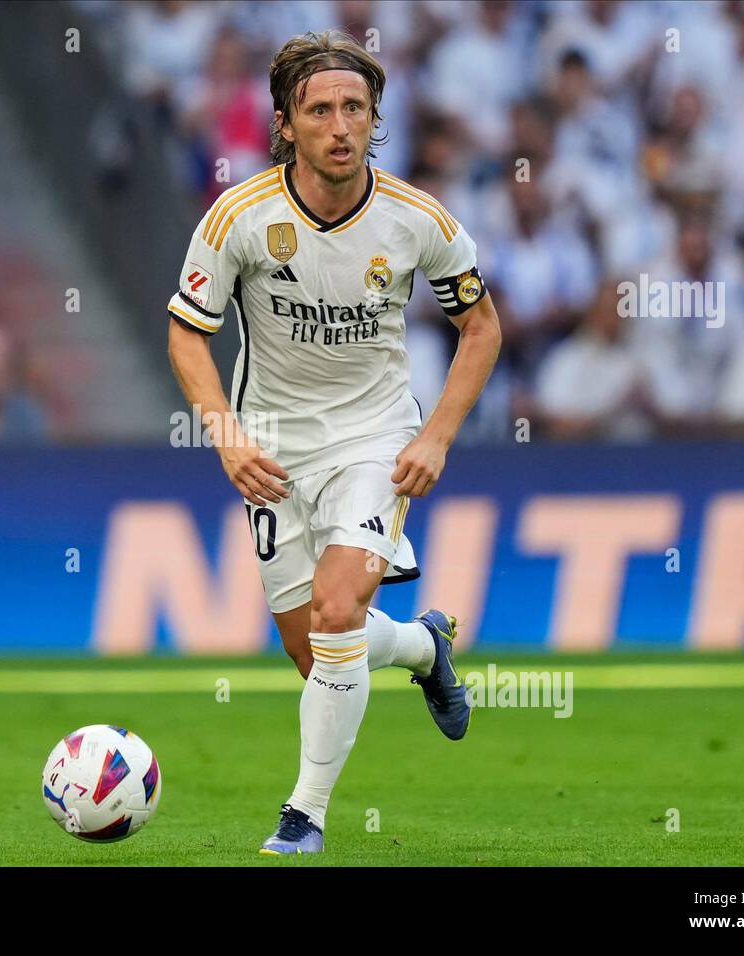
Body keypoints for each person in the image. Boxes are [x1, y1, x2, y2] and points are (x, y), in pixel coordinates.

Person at [165, 31, 502, 854]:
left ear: (375, 118)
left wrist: (437, 437)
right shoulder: (239, 218)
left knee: (340, 608)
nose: (341, 124)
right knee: (313, 648)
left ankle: (302, 817)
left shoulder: (417, 219)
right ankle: (424, 647)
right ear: (286, 124)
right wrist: (228, 438)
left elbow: (481, 327)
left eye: (356, 107)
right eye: (321, 109)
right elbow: (185, 334)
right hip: (274, 445)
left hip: (375, 437)